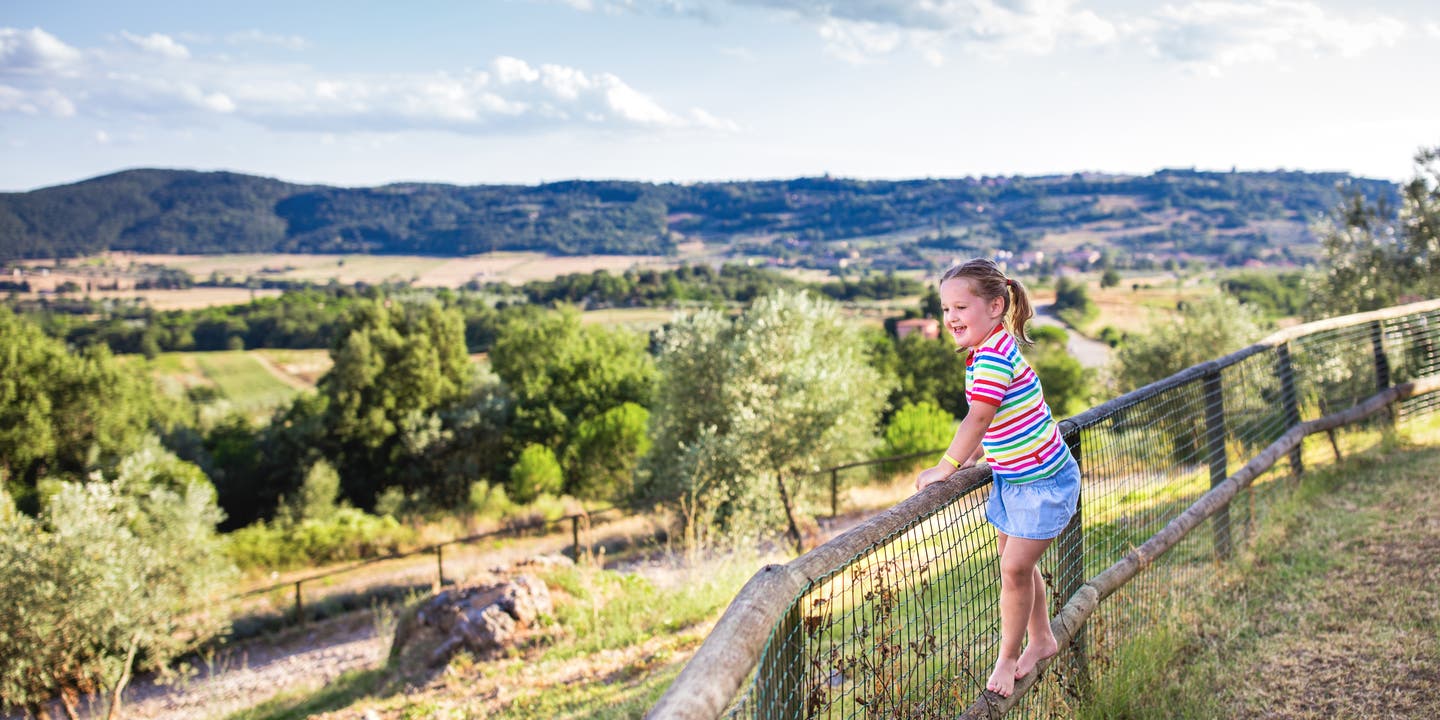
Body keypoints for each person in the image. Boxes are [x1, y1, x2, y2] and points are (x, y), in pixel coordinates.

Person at [915, 258, 1081, 698]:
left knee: (1013, 568)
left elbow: (981, 415)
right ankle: (1042, 637)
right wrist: (976, 455)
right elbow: (1004, 420)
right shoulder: (987, 350)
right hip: (1016, 479)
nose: (950, 318)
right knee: (1017, 567)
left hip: (1044, 485)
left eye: (960, 308)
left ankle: (1007, 658)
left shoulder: (993, 356)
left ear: (995, 306)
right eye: (946, 309)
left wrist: (947, 465)